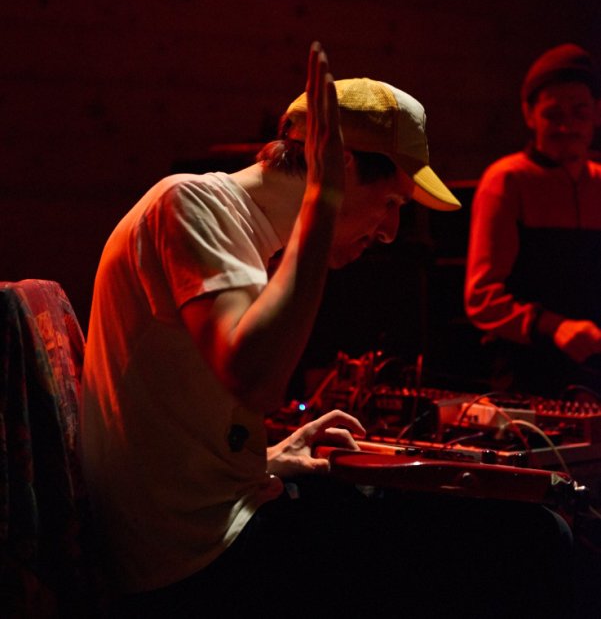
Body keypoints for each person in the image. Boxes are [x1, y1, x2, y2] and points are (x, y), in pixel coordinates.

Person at [80, 43, 464, 617]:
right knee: (508, 544)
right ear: (342, 166)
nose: (389, 231)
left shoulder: (241, 232)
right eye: (390, 202)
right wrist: (321, 206)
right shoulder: (189, 203)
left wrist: (267, 456)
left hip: (220, 525)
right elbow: (253, 378)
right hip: (189, 563)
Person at [465, 43, 601, 396]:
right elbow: (481, 298)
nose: (567, 126)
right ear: (529, 114)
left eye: (579, 112)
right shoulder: (507, 180)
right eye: (554, 114)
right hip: (527, 375)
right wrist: (554, 326)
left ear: (596, 114)